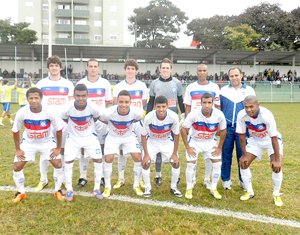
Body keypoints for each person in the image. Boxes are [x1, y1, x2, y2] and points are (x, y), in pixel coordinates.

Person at [11, 87, 64, 202]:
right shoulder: (22, 112)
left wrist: (58, 148)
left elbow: (59, 130)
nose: (34, 100)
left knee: (58, 163)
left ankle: (58, 190)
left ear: (41, 98)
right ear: (27, 99)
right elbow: (15, 131)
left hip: (47, 142)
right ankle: (21, 192)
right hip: (29, 143)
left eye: (36, 98)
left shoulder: (49, 111)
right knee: (17, 166)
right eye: (31, 98)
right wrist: (18, 150)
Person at [34, 55, 74, 192]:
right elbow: (37, 102)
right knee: (44, 150)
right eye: (51, 66)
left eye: (56, 66)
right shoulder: (41, 84)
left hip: (62, 123)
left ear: (60, 68)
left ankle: (61, 178)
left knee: (62, 149)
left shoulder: (68, 84)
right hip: (46, 122)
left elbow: (71, 104)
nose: (54, 68)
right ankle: (43, 179)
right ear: (48, 68)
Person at [236, 95, 283, 207]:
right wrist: (244, 154)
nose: (248, 109)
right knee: (243, 163)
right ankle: (249, 191)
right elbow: (241, 136)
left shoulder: (266, 115)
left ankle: (276, 194)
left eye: (251, 106)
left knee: (276, 167)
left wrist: (277, 159)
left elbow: (274, 138)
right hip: (255, 141)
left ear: (258, 105)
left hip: (270, 140)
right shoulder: (241, 115)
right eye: (246, 107)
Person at [61, 84, 104, 201]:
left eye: (83, 96)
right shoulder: (67, 108)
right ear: (74, 95)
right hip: (73, 138)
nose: (81, 98)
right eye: (78, 96)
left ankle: (97, 188)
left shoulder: (93, 107)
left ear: (87, 96)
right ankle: (69, 189)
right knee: (68, 161)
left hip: (90, 137)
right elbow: (64, 118)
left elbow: (96, 117)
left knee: (98, 159)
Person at [147, 58, 185, 187]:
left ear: (171, 70)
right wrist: (147, 116)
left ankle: (177, 176)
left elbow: (180, 100)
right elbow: (151, 101)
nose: (165, 70)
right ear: (160, 69)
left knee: (174, 148)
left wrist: (184, 114)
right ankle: (158, 175)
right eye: (163, 68)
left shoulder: (177, 83)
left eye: (167, 68)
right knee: (158, 148)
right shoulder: (154, 83)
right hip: (158, 121)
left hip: (172, 121)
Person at [181, 93, 227, 200]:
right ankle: (189, 188)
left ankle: (214, 188)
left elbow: (224, 130)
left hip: (210, 142)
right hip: (195, 142)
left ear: (213, 103)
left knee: (217, 164)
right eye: (204, 103)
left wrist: (220, 147)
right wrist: (188, 147)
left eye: (209, 103)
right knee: (191, 165)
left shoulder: (219, 115)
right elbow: (183, 129)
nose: (207, 105)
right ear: (200, 103)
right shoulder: (194, 114)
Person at [183, 64, 221, 190]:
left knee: (210, 153)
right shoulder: (191, 87)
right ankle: (192, 178)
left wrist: (217, 125)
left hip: (210, 124)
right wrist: (187, 123)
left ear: (207, 72)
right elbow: (188, 106)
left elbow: (218, 106)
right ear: (197, 72)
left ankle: (207, 179)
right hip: (195, 124)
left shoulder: (214, 87)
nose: (202, 73)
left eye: (204, 70)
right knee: (194, 151)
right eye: (200, 70)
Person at [75, 59, 112, 189]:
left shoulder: (105, 83)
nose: (93, 68)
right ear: (87, 68)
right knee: (83, 148)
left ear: (98, 68)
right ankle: (83, 176)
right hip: (85, 121)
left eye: (95, 66)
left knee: (101, 148)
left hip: (101, 121)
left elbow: (107, 101)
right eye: (90, 66)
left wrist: (98, 112)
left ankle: (101, 176)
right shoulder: (81, 83)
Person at [112, 59, 148, 189]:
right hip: (123, 123)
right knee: (121, 151)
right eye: (128, 68)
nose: (130, 71)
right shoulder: (118, 86)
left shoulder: (142, 86)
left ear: (136, 71)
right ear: (125, 70)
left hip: (138, 123)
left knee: (141, 150)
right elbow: (116, 105)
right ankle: (121, 178)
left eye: (133, 69)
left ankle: (141, 179)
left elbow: (143, 105)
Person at [100, 90, 143, 198]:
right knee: (108, 158)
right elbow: (103, 120)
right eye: (121, 102)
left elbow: (137, 120)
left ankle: (136, 185)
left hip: (129, 136)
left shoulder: (136, 112)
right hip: (113, 137)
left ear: (130, 102)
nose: (124, 105)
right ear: (117, 102)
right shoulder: (108, 112)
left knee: (138, 158)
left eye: (126, 102)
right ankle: (108, 186)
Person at [219, 67, 256, 190]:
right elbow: (219, 110)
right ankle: (226, 180)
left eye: (236, 75)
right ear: (228, 77)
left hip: (243, 129)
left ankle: (243, 180)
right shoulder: (224, 90)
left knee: (243, 154)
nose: (234, 78)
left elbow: (253, 110)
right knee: (226, 154)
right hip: (227, 128)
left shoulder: (249, 90)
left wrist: (252, 128)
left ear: (241, 75)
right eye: (231, 76)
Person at [142, 95, 182, 198]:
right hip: (152, 141)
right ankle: (147, 187)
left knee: (176, 163)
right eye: (158, 106)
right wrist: (146, 154)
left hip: (166, 141)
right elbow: (143, 135)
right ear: (154, 107)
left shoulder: (173, 116)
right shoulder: (148, 117)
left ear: (167, 106)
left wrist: (174, 153)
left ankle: (174, 187)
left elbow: (176, 135)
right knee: (146, 163)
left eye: (163, 106)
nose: (161, 109)